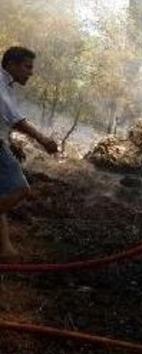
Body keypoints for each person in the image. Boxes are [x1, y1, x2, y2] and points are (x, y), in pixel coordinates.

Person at [0, 46, 58, 260]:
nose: (31, 72)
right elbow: (15, 118)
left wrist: (11, 141)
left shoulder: (6, 84)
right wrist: (42, 139)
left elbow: (4, 119)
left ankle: (5, 249)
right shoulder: (0, 83)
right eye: (27, 67)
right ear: (11, 65)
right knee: (20, 189)